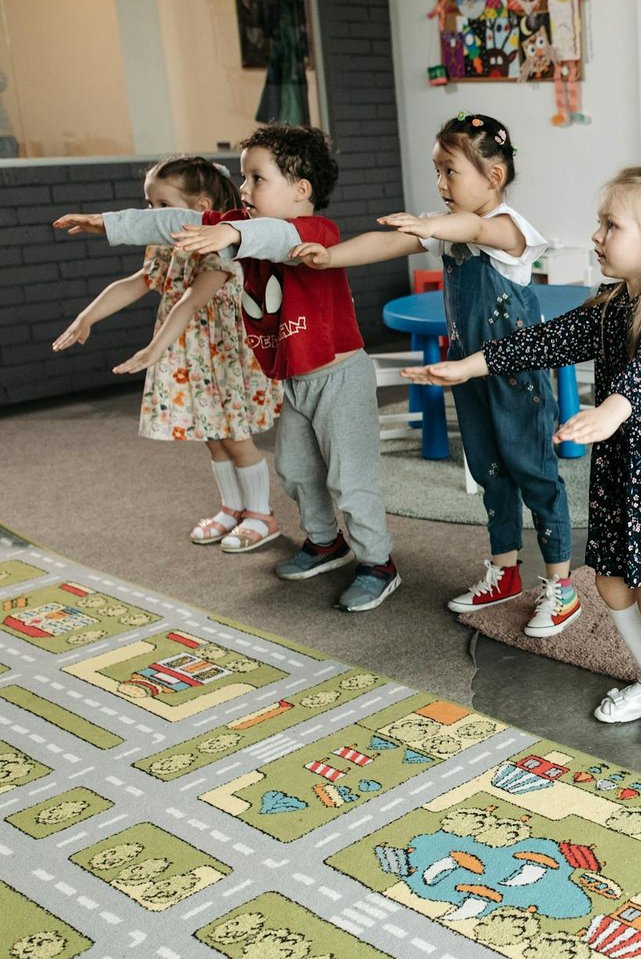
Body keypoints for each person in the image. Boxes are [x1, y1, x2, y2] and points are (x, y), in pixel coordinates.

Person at [404, 167, 641, 748]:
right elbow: (542, 341)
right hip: (624, 472)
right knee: (610, 585)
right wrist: (466, 366)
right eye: (599, 223)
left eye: (612, 225)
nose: (598, 235)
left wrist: (608, 412)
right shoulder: (610, 303)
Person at [54, 125, 402, 612]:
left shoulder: (313, 232)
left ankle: (378, 563)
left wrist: (232, 231)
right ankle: (326, 543)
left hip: (339, 378)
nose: (244, 190)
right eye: (243, 178)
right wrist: (108, 224)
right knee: (297, 471)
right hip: (295, 381)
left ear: (301, 190)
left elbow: (277, 236)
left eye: (257, 179)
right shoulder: (239, 228)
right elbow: (176, 223)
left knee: (349, 477)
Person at [291, 113, 578, 638]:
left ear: (493, 176)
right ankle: (505, 571)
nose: (441, 185)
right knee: (489, 471)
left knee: (534, 473)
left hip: (516, 377)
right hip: (466, 374)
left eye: (450, 171)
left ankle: (560, 584)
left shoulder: (511, 228)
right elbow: (387, 244)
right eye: (437, 172)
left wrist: (429, 225)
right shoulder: (446, 230)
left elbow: (474, 228)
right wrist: (328, 257)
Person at [52, 157, 282, 552]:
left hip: (223, 356)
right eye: (148, 205)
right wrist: (86, 317)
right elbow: (137, 282)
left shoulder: (223, 247)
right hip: (193, 356)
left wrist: (155, 348)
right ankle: (232, 508)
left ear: (199, 207)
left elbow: (191, 301)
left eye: (160, 206)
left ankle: (261, 514)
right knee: (210, 436)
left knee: (234, 436)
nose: (151, 215)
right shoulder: (165, 247)